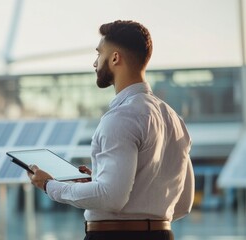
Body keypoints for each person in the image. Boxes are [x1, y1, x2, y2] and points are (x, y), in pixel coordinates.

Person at [27, 20, 194, 240]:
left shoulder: (120, 118)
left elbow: (110, 197)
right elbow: (183, 203)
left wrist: (50, 185)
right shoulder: (174, 119)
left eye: (99, 54)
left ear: (115, 58)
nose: (95, 63)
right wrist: (99, 180)